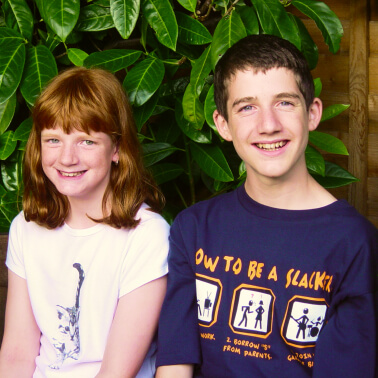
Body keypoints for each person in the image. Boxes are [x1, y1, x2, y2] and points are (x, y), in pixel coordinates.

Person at [156, 34, 378, 377]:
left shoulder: (353, 242)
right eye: (247, 107)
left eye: (285, 103)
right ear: (223, 125)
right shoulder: (194, 228)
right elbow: (175, 366)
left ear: (313, 114)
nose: (269, 125)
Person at [0, 67, 170, 377]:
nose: (67, 158)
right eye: (53, 140)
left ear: (116, 148)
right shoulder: (25, 227)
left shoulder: (147, 235)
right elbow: (16, 353)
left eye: (86, 142)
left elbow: (117, 372)